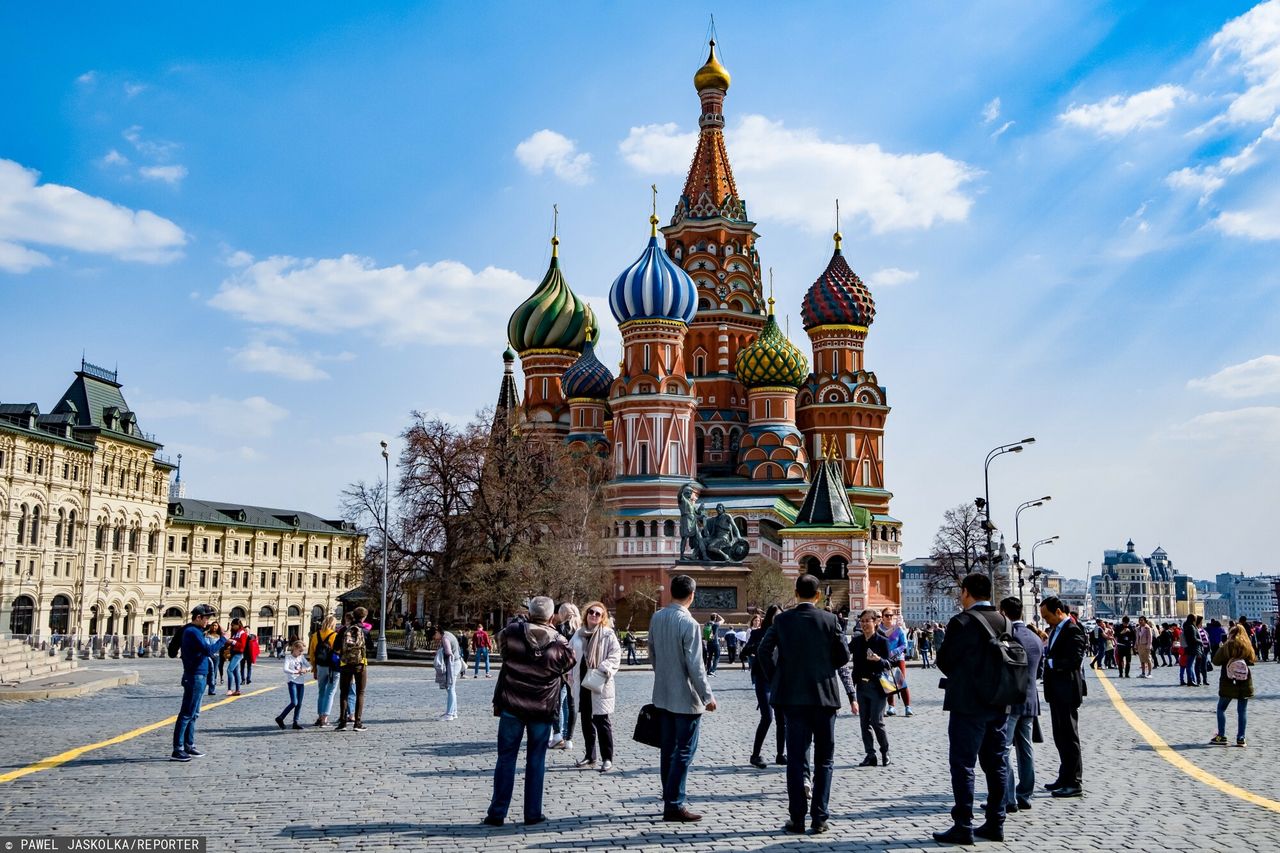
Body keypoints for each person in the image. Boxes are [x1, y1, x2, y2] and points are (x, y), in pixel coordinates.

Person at [758, 575, 850, 835]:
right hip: (824, 697)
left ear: (795, 593)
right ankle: (820, 817)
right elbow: (843, 656)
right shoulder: (830, 620)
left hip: (793, 698)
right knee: (825, 760)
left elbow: (764, 651)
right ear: (818, 596)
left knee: (796, 760)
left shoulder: (782, 620)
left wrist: (778, 678)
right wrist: (824, 665)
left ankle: (797, 818)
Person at [483, 596, 576, 827]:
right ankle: (532, 813)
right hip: (541, 708)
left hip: (512, 705)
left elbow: (502, 649)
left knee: (506, 758)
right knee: (536, 759)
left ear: (529, 612)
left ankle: (497, 812)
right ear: (552, 616)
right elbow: (569, 663)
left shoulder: (513, 632)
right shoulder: (559, 642)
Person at [933, 573, 1010, 846]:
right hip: (999, 702)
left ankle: (963, 825)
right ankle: (995, 822)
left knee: (964, 764)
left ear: (966, 592)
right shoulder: (1005, 621)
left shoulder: (961, 622)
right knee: (996, 763)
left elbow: (945, 660)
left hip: (967, 705)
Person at [649, 574, 717, 822]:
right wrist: (707, 695)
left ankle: (670, 801)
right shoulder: (689, 624)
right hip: (686, 699)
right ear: (692, 595)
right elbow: (696, 665)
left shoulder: (657, 617)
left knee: (668, 750)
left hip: (663, 695)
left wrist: (664, 677)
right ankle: (675, 803)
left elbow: (653, 654)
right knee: (685, 751)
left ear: (670, 592)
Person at [1040, 596, 1087, 798]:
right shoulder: (1056, 630)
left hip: (1067, 690)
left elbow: (1075, 659)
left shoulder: (1073, 630)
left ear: (1059, 611)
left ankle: (1074, 781)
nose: (1045, 621)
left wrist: (1051, 663)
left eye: (1047, 616)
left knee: (1069, 737)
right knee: (1060, 736)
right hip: (1056, 691)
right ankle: (1064, 775)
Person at [999, 596, 1042, 813]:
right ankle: (1025, 793)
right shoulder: (1035, 638)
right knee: (1026, 749)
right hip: (1030, 699)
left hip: (1011, 700)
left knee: (1003, 750)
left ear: (1004, 613)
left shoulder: (1009, 637)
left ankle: (1009, 798)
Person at [568, 601, 622, 772]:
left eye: (598, 613)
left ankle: (607, 757)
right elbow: (569, 654)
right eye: (591, 612)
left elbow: (615, 655)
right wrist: (568, 672)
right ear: (586, 614)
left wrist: (602, 669)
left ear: (602, 617)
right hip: (581, 682)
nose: (594, 615)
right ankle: (590, 756)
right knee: (586, 721)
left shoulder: (607, 634)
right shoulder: (578, 634)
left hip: (599, 683)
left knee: (601, 721)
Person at [170, 604, 226, 761]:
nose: (208, 621)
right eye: (206, 618)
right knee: (187, 713)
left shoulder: (197, 631)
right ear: (198, 617)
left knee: (194, 714)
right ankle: (178, 749)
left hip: (200, 675)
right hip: (194, 676)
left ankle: (189, 745)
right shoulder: (192, 632)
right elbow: (208, 650)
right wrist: (223, 639)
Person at [840, 608, 891, 768]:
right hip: (861, 686)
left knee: (877, 721)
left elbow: (889, 664)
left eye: (867, 621)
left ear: (875, 622)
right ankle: (870, 754)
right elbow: (844, 652)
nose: (864, 624)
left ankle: (885, 751)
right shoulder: (857, 641)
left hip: (877, 687)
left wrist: (879, 660)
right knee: (864, 723)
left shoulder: (882, 641)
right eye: (862, 621)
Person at [746, 605, 786, 769]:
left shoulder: (785, 634)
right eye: (776, 615)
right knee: (767, 717)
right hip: (764, 680)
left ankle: (780, 754)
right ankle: (755, 755)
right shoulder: (758, 633)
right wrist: (758, 648)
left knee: (782, 719)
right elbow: (745, 651)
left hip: (780, 680)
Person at [1211, 623, 1256, 747]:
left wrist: (1222, 648)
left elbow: (1215, 661)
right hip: (1244, 682)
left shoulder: (1227, 646)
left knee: (1221, 709)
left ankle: (1222, 736)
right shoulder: (1247, 645)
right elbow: (1252, 661)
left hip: (1228, 682)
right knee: (1242, 711)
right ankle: (1241, 738)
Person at [549, 603, 581, 752]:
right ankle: (569, 739)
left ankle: (557, 734)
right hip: (575, 671)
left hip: (561, 671)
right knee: (572, 704)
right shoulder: (581, 630)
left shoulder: (560, 628)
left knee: (556, 702)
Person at [333, 606, 369, 732]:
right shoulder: (364, 630)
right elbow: (370, 646)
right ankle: (357, 723)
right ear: (364, 617)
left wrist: (344, 653)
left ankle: (342, 722)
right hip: (360, 664)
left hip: (345, 664)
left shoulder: (343, 630)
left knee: (344, 692)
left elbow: (335, 647)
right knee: (360, 692)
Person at [878, 607, 913, 716]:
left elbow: (904, 644)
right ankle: (891, 707)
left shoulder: (898, 629)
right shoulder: (879, 629)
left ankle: (907, 707)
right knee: (888, 683)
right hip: (885, 660)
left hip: (898, 659)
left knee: (901, 682)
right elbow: (879, 640)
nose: (889, 617)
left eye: (891, 615)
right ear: (882, 618)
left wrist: (894, 652)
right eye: (887, 615)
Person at [308, 615, 340, 726]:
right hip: (333, 668)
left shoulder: (315, 635)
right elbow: (339, 652)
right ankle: (325, 718)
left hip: (320, 666)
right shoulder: (335, 636)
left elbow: (312, 654)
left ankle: (319, 716)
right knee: (330, 692)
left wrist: (314, 668)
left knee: (321, 692)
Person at [276, 639, 311, 730]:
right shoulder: (288, 657)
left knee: (299, 703)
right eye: (300, 651)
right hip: (292, 682)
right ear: (294, 648)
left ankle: (295, 722)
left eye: (302, 651)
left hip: (301, 682)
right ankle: (280, 718)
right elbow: (285, 669)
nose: (301, 653)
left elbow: (309, 666)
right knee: (294, 702)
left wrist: (306, 670)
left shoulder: (301, 657)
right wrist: (296, 672)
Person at [434, 625, 462, 721]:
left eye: (435, 634)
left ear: (438, 632)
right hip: (457, 662)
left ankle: (449, 714)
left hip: (453, 664)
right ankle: (454, 712)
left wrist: (440, 653)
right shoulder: (448, 634)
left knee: (450, 688)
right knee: (452, 689)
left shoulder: (445, 639)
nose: (434, 637)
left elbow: (449, 653)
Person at [224, 619, 248, 696]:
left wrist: (232, 641)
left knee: (229, 670)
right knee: (235, 672)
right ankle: (237, 690)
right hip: (234, 653)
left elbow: (242, 645)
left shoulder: (242, 633)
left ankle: (230, 689)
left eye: (233, 625)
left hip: (238, 653)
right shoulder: (236, 633)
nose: (232, 627)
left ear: (238, 625)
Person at [1181, 614, 1201, 686]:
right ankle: (1190, 680)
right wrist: (1201, 641)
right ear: (1193, 619)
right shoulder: (1191, 627)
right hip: (1192, 648)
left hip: (1189, 648)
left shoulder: (1187, 626)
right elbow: (1193, 639)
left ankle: (1191, 680)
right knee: (1189, 665)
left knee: (1190, 665)